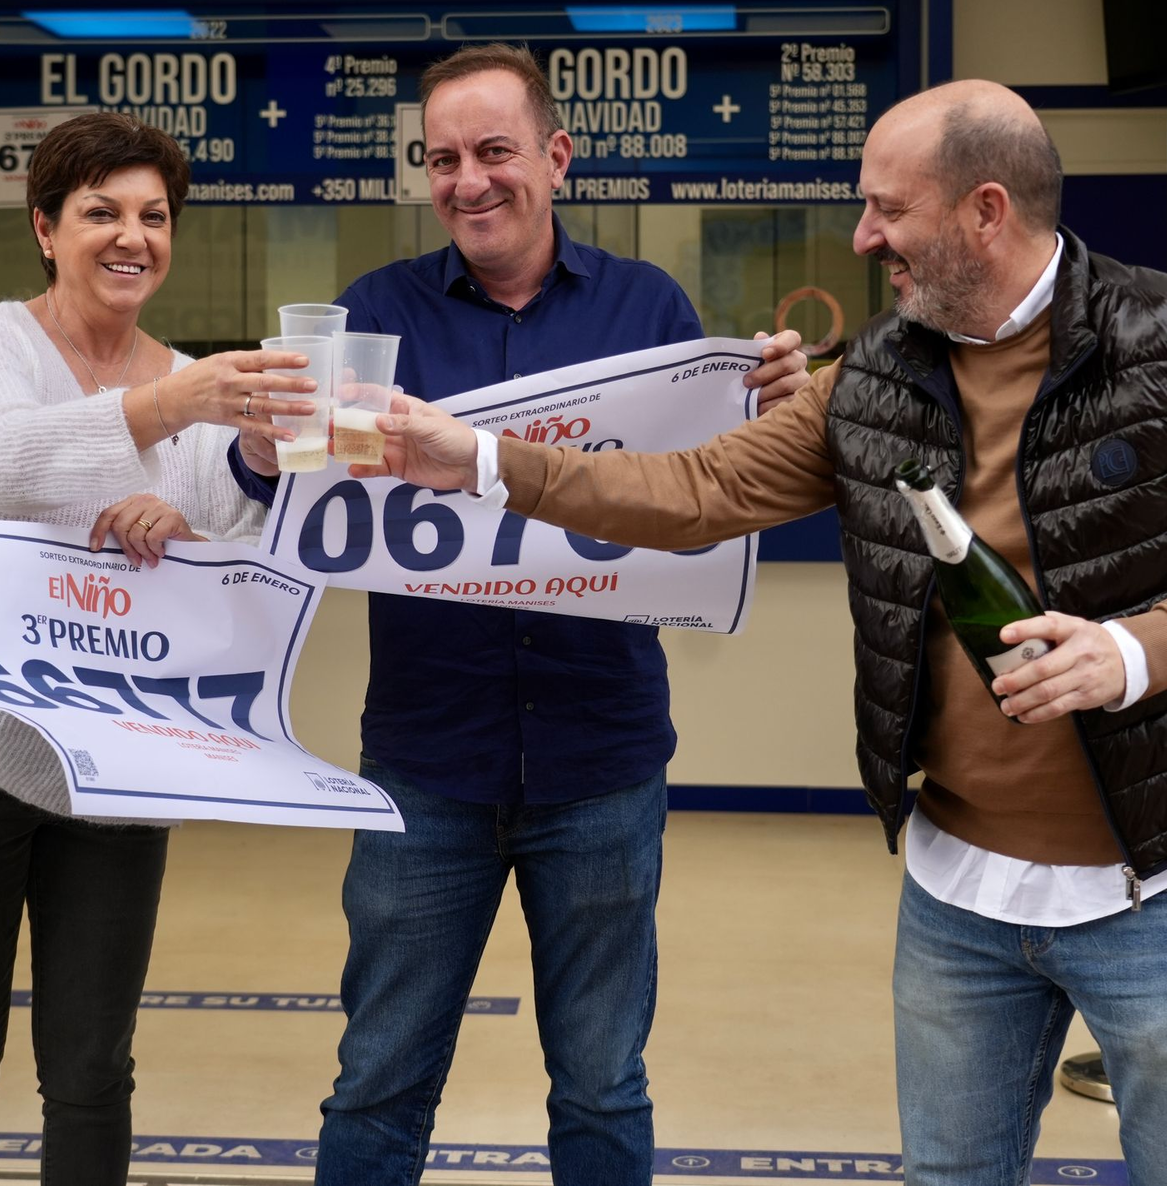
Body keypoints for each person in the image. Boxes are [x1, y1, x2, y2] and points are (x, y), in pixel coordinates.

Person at [357, 79, 1167, 1186]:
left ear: (985, 211)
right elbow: (694, 486)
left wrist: (1134, 654)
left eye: (889, 208)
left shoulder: (1157, 343)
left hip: (1146, 887)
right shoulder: (875, 376)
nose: (862, 234)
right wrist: (489, 462)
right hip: (954, 890)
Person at [230, 42, 806, 1186]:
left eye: (494, 151)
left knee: (601, 1087)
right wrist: (257, 449)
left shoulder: (651, 307)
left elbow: (708, 485)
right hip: (423, 764)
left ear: (557, 157)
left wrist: (776, 408)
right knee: (379, 1079)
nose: (468, 180)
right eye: (442, 158)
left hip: (602, 760)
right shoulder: (372, 312)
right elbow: (286, 489)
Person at [0, 112, 318, 1186]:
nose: (132, 237)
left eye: (154, 216)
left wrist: (252, 466)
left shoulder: (195, 383)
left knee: (90, 1067)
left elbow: (233, 517)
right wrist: (171, 405)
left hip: (124, 771)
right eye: (101, 213)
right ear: (44, 226)